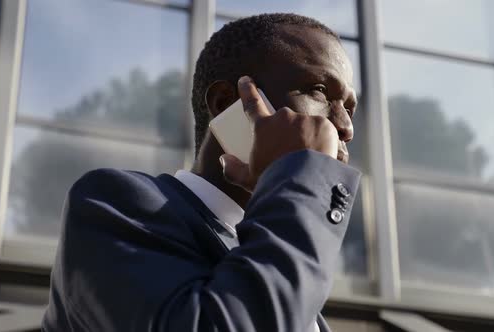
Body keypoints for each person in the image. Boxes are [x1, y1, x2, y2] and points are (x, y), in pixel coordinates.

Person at [43, 13, 360, 332]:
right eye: (319, 91)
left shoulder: (301, 277)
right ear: (226, 103)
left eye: (348, 108)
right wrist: (302, 182)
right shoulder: (111, 205)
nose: (345, 127)